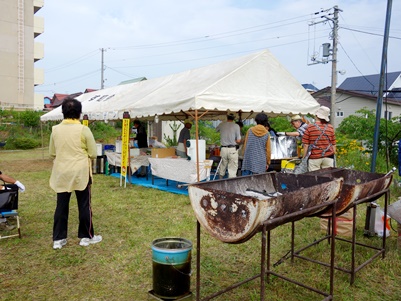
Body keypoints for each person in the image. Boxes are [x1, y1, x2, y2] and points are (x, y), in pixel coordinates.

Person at [49, 97, 102, 250]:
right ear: (79, 113)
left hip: (62, 172)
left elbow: (52, 153)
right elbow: (93, 153)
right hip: (80, 172)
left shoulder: (55, 130)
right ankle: (86, 237)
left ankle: (58, 239)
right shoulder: (84, 129)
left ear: (62, 112)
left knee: (61, 205)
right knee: (84, 205)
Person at [302, 106, 336, 171]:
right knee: (328, 177)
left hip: (314, 157)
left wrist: (304, 157)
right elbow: (334, 144)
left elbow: (306, 145)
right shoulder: (330, 127)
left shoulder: (310, 127)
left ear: (316, 115)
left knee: (315, 178)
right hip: (328, 157)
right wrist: (332, 154)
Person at [216, 113, 241, 178]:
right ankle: (231, 184)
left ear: (227, 117)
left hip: (223, 149)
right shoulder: (236, 126)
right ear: (234, 118)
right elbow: (238, 140)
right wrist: (233, 140)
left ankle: (220, 180)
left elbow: (216, 130)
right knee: (232, 168)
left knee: (222, 165)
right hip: (232, 149)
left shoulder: (222, 125)